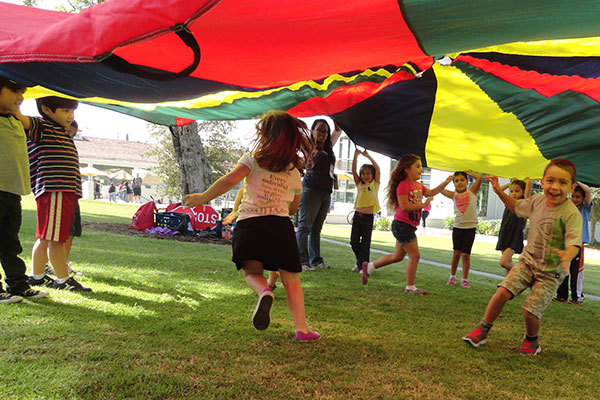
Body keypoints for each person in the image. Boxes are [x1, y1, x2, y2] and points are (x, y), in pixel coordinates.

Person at [184, 110, 320, 340]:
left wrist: (202, 198)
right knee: (291, 279)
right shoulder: (293, 171)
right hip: (280, 227)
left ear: (266, 135)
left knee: (252, 272)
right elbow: (294, 208)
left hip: (250, 225)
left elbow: (229, 180)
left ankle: (264, 291)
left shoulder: (253, 159)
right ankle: (302, 329)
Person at [463, 159, 582, 355]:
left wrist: (566, 256)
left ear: (571, 187)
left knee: (530, 311)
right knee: (502, 292)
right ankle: (482, 329)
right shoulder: (536, 201)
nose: (555, 187)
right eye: (550, 180)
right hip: (528, 261)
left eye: (562, 182)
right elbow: (516, 206)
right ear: (542, 182)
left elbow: (574, 243)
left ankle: (531, 341)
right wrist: (499, 192)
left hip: (551, 271)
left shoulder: (571, 214)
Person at [15, 96, 91, 291]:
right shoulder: (41, 126)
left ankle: (37, 276)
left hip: (64, 189)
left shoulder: (61, 131)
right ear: (47, 109)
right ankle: (62, 279)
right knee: (57, 238)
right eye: (65, 111)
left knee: (47, 236)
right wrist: (15, 98)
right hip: (54, 187)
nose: (70, 115)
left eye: (72, 111)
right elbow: (18, 116)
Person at [361, 154, 452, 294]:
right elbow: (404, 207)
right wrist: (423, 204)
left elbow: (432, 192)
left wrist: (446, 182)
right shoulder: (403, 185)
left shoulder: (419, 186)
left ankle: (369, 268)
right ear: (407, 169)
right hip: (402, 225)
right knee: (415, 256)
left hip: (407, 226)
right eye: (417, 166)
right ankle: (410, 287)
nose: (421, 170)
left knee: (397, 256)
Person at [0, 76, 49, 303]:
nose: (20, 97)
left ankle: (18, 285)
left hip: (12, 192)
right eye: (14, 92)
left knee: (10, 243)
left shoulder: (14, 120)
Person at [295, 119, 342, 271]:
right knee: (305, 226)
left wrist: (333, 113)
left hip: (326, 191)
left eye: (324, 131)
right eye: (319, 130)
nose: (321, 134)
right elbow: (295, 131)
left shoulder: (328, 148)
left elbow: (338, 130)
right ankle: (302, 261)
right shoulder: (309, 146)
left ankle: (316, 260)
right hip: (311, 189)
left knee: (316, 229)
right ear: (312, 130)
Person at [441, 171, 484, 288]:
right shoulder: (453, 195)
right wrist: (446, 181)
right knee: (456, 254)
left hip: (470, 228)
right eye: (456, 181)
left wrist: (468, 172)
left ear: (467, 181)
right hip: (458, 228)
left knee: (466, 255)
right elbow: (440, 190)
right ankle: (452, 277)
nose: (459, 183)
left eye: (462, 180)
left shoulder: (472, 192)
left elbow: (480, 177)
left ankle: (464, 279)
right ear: (454, 184)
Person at [555, 181, 592, 305]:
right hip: (566, 243)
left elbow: (588, 191)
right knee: (563, 269)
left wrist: (576, 182)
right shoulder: (568, 208)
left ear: (582, 199)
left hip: (578, 244)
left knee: (576, 271)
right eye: (573, 196)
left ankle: (577, 297)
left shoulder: (585, 209)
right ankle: (561, 295)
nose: (575, 199)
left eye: (578, 197)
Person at [349, 148, 380, 272]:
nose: (365, 176)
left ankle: (363, 266)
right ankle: (360, 262)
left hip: (368, 218)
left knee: (365, 243)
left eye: (368, 173)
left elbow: (378, 168)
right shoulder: (359, 184)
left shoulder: (374, 184)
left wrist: (368, 156)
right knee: (354, 242)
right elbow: (353, 170)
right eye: (363, 173)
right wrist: (355, 155)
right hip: (358, 216)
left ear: (372, 175)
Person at [495, 178, 532, 276]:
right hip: (505, 233)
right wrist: (509, 184)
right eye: (511, 191)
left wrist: (527, 180)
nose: (514, 193)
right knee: (507, 263)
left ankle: (523, 274)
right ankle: (506, 285)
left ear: (523, 191)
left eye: (517, 191)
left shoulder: (523, 203)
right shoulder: (509, 201)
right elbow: (498, 190)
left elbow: (529, 184)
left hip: (514, 235)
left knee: (504, 262)